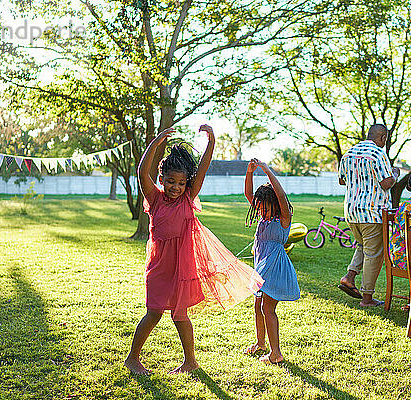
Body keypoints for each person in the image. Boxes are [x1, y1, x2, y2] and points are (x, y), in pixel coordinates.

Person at [124, 125, 263, 375]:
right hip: (158, 268)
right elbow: (140, 171)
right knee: (153, 312)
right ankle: (133, 358)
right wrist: (155, 143)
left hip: (182, 269)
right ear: (162, 179)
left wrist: (211, 140)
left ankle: (190, 362)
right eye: (170, 182)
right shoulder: (154, 198)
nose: (175, 187)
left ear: (186, 183)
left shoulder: (188, 197)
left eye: (180, 182)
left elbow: (203, 169)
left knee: (180, 315)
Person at [244, 158, 300, 365]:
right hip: (262, 266)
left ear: (275, 205)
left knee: (268, 308)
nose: (261, 212)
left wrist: (267, 171)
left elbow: (281, 195)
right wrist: (249, 172)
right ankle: (260, 343)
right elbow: (248, 194)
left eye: (265, 209)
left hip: (275, 268)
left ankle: (276, 353)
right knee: (258, 305)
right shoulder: (263, 216)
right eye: (259, 208)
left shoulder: (283, 218)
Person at [337, 124, 399, 307]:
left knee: (364, 246)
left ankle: (349, 276)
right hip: (372, 213)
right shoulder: (378, 154)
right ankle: (367, 298)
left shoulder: (348, 154)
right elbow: (387, 183)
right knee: (374, 254)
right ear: (383, 138)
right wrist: (394, 174)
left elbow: (342, 180)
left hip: (352, 212)